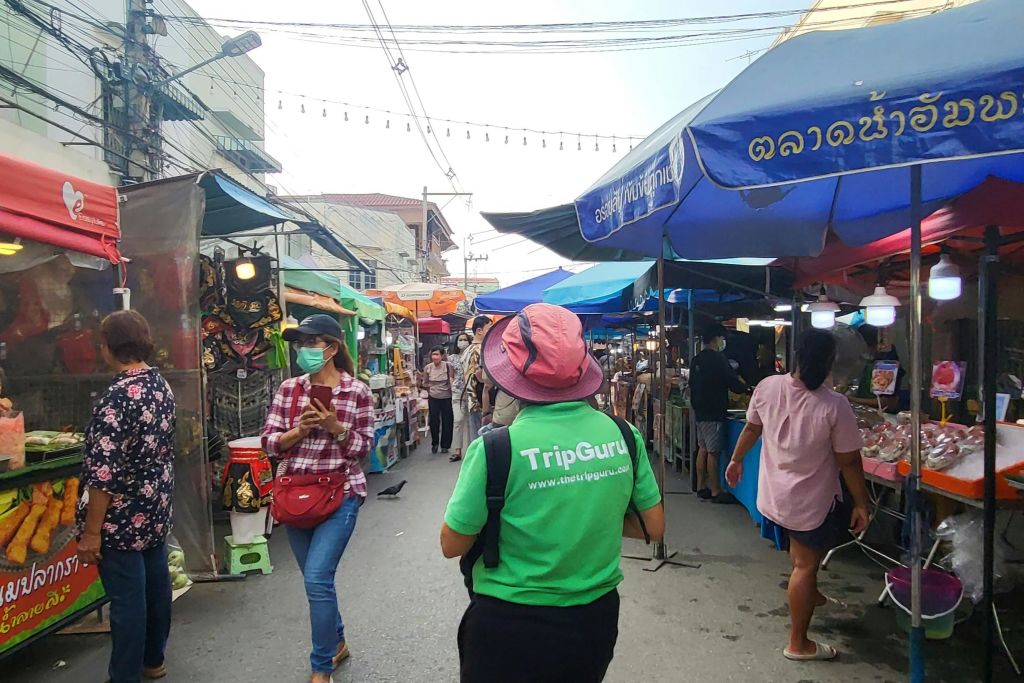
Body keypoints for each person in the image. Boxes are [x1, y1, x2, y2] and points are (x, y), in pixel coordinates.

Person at [441, 304, 665, 682]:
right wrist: (589, 518)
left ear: (510, 372)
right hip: (594, 620)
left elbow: (452, 544)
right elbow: (653, 527)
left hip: (507, 621)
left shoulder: (497, 449)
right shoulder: (624, 435)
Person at [726, 329, 870, 663]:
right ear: (831, 362)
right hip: (809, 501)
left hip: (776, 495)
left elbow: (752, 428)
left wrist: (736, 459)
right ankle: (798, 643)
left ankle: (811, 591)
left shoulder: (768, 386)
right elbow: (849, 460)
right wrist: (862, 502)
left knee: (801, 558)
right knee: (805, 565)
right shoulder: (835, 405)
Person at [262, 314, 374, 683]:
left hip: (340, 493)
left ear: (331, 347)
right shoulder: (289, 390)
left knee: (316, 579)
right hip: (295, 495)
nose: (304, 350)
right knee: (317, 580)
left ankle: (321, 665)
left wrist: (335, 427)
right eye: (301, 344)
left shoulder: (356, 392)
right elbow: (270, 442)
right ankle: (337, 640)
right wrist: (301, 430)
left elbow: (363, 449)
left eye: (311, 343)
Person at [76, 310, 176, 683]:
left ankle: (124, 676)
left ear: (108, 346)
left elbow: (103, 476)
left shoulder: (116, 398)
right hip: (153, 506)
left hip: (119, 516)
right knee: (155, 588)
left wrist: (91, 532)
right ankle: (154, 660)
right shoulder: (159, 384)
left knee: (128, 601)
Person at [689, 323, 747, 503]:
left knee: (703, 448)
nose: (723, 341)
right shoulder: (718, 359)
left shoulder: (696, 359)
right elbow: (732, 382)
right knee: (713, 452)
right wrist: (745, 388)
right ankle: (715, 490)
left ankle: (700, 486)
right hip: (713, 410)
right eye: (722, 338)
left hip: (699, 410)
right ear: (716, 339)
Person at [460, 315, 492, 449]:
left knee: (475, 439)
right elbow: (480, 379)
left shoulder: (466, 350)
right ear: (479, 330)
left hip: (472, 401)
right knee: (482, 442)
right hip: (479, 402)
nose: (491, 331)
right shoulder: (479, 350)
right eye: (489, 328)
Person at [420, 345, 456, 454]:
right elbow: (424, 383)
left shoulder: (448, 366)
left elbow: (452, 380)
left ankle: (445, 445)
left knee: (447, 421)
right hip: (433, 398)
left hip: (447, 398)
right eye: (433, 355)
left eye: (437, 354)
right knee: (434, 421)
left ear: (442, 356)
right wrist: (431, 390)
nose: (435, 357)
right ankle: (435, 443)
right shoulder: (428, 368)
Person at [448, 332, 472, 462]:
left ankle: (471, 450)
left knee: (471, 422)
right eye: (460, 339)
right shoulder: (452, 358)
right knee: (458, 420)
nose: (462, 342)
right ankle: (457, 450)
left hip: (471, 392)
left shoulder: (473, 354)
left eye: (465, 339)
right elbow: (451, 375)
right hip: (457, 392)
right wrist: (453, 386)